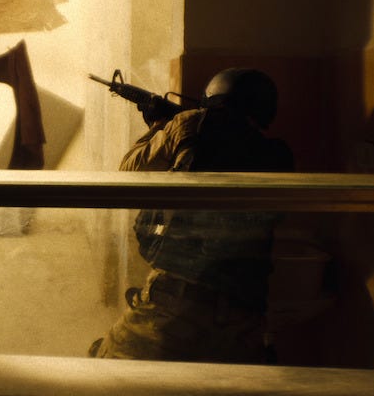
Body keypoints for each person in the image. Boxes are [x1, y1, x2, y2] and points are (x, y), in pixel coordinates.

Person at [89, 67, 294, 363]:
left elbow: (129, 171)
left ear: (213, 95)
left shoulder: (189, 122)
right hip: (245, 316)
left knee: (104, 369)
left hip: (176, 304)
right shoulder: (279, 154)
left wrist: (160, 124)